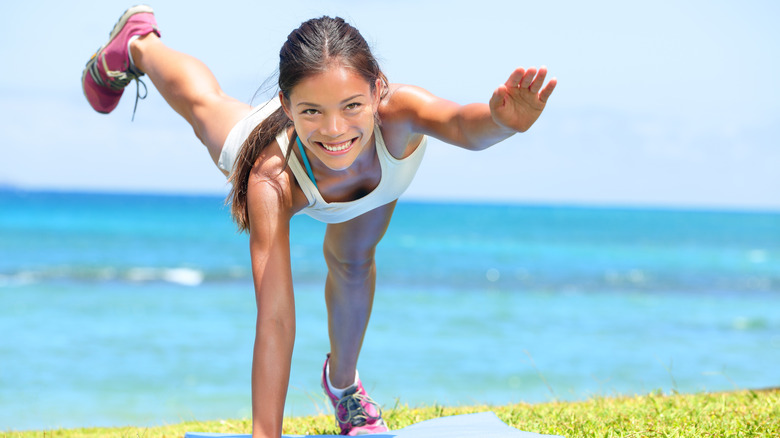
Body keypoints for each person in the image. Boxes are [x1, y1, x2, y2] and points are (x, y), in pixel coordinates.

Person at [82, 5, 557, 438]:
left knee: (353, 262)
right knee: (203, 104)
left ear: (378, 90)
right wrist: (265, 434)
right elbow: (275, 315)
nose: (334, 131)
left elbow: (462, 125)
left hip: (374, 183)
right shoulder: (267, 177)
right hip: (287, 163)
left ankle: (344, 389)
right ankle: (142, 44)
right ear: (287, 106)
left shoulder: (399, 113)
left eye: (352, 105)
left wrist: (503, 122)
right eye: (312, 111)